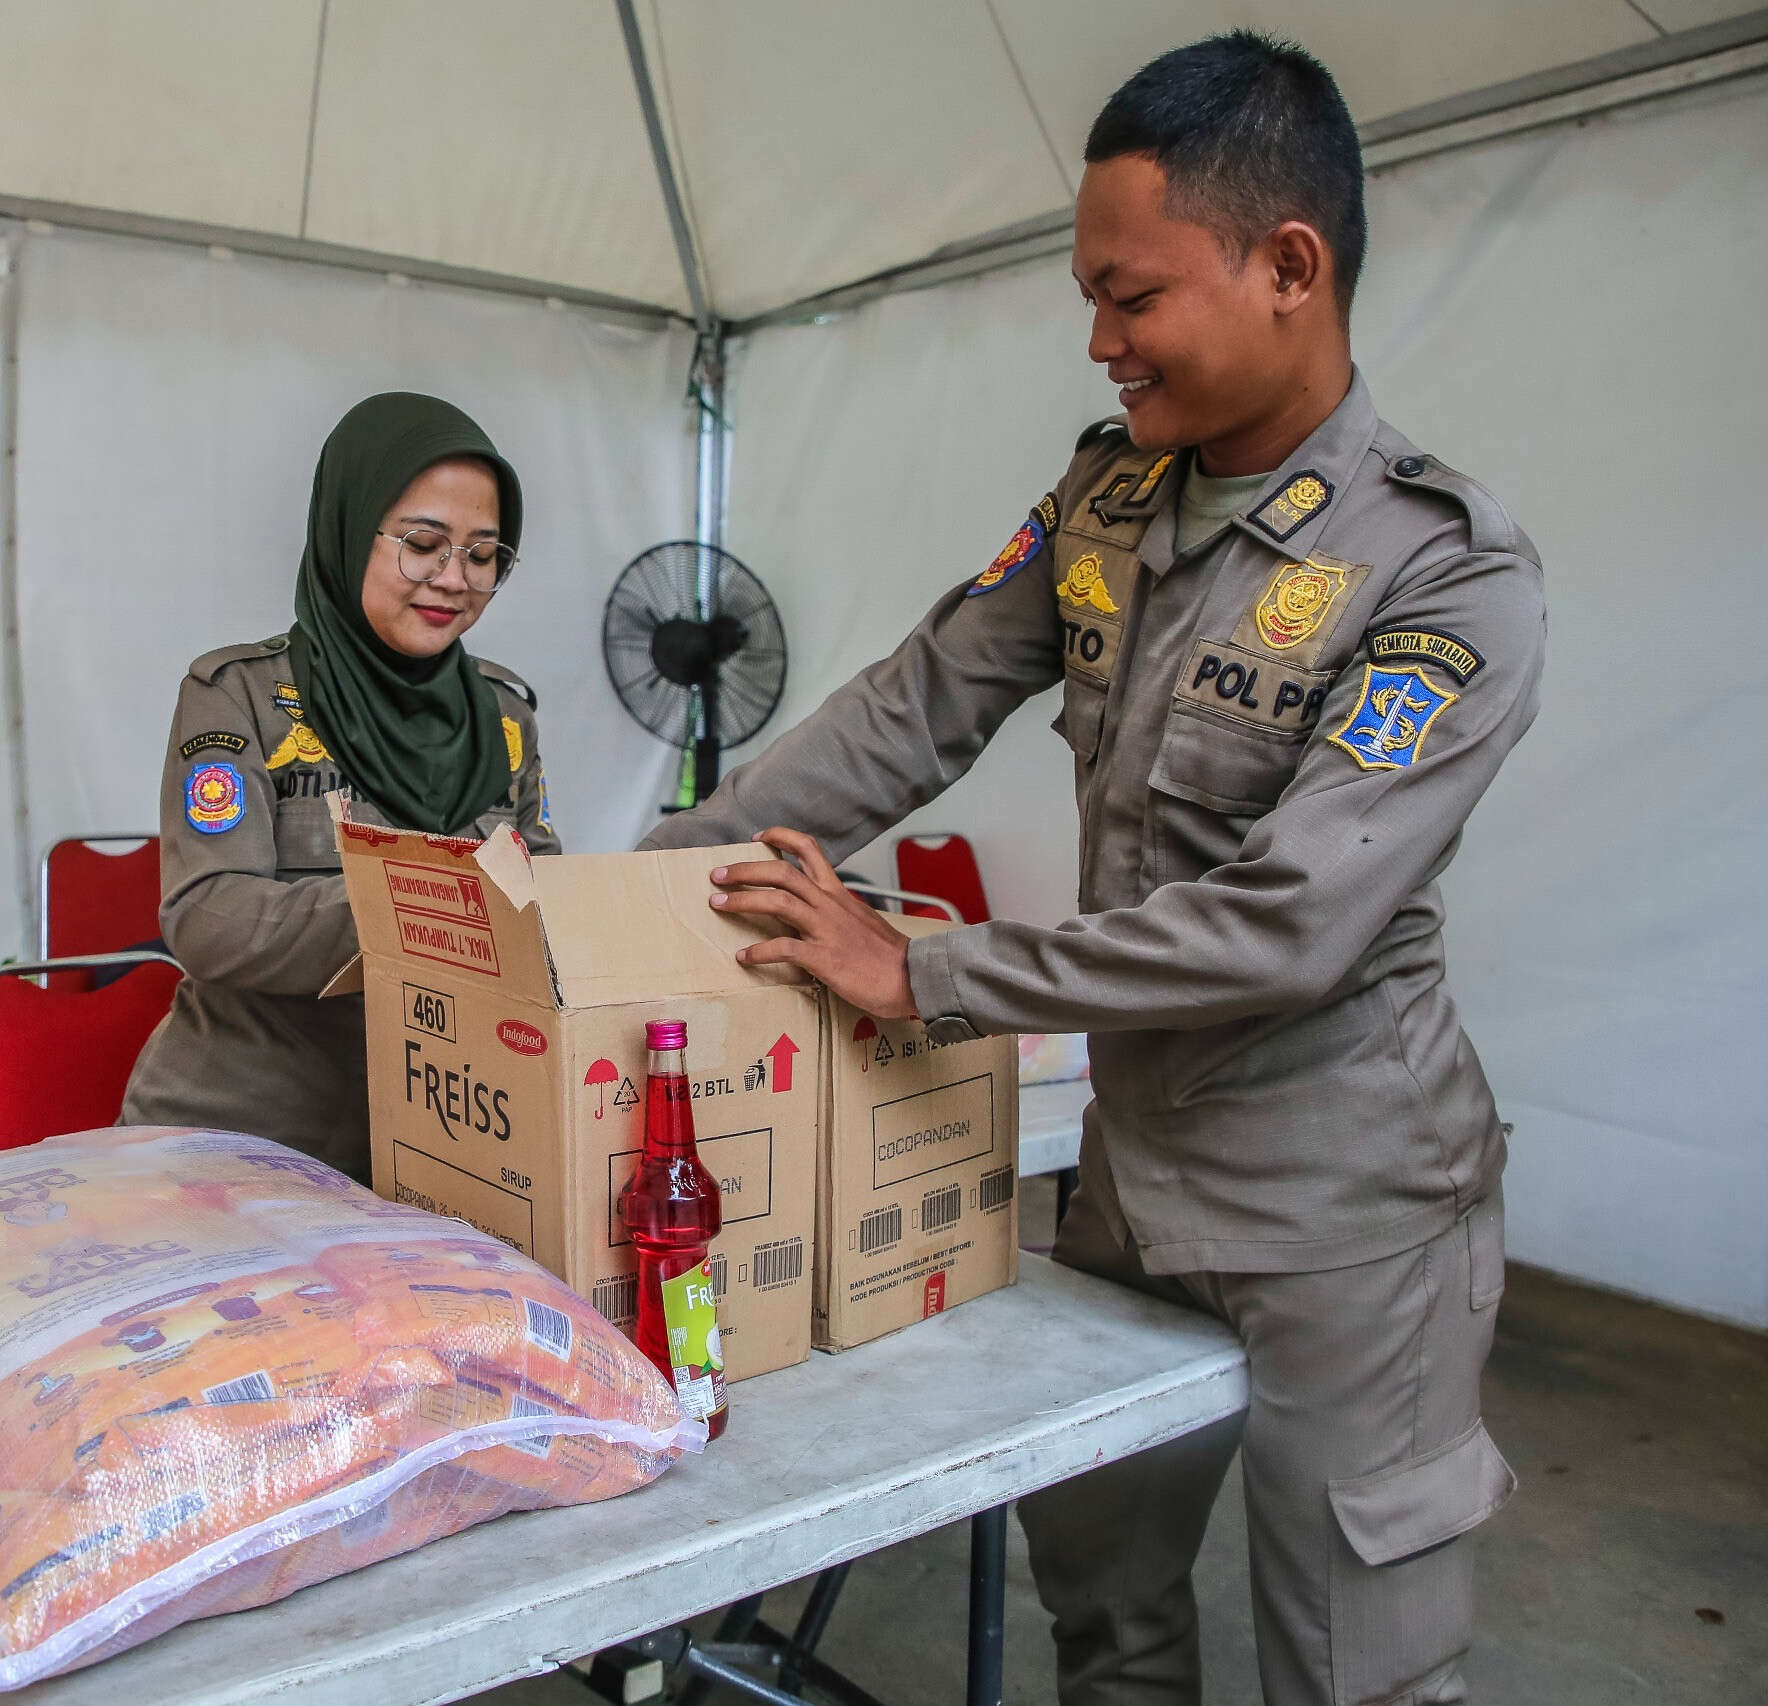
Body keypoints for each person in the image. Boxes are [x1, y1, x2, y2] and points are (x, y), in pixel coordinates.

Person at [647, 34, 1540, 1706]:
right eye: (1089, 297)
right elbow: (912, 712)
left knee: (1356, 1669)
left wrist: (930, 972)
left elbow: (1290, 925)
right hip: (1134, 1187)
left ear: (1291, 267)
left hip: (1350, 1212)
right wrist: (630, 890)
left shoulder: (1442, 573)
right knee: (1109, 1621)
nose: (1099, 340)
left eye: (1131, 297)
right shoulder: (1106, 502)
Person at [119, 393, 560, 1181]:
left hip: (447, 1152)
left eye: (484, 554)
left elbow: (549, 908)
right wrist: (427, 904)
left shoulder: (504, 717)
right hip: (238, 1149)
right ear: (349, 529)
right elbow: (209, 919)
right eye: (424, 544)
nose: (454, 579)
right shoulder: (240, 694)